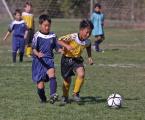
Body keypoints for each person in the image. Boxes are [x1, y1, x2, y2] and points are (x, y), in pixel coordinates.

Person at [58, 19, 94, 105]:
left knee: (81, 74)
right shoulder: (73, 37)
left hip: (77, 59)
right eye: (86, 32)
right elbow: (59, 40)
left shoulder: (87, 41)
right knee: (67, 80)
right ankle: (65, 96)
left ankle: (76, 93)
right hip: (66, 59)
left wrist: (89, 57)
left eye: (90, 33)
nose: (88, 34)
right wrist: (67, 45)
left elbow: (88, 46)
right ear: (81, 30)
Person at [32, 14, 61, 104]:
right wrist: (38, 53)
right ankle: (43, 99)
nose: (47, 27)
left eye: (49, 25)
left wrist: (61, 50)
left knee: (52, 74)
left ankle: (53, 95)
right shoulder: (37, 35)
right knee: (40, 87)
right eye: (45, 25)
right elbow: (33, 49)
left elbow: (57, 47)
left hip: (49, 60)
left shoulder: (53, 35)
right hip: (38, 62)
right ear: (40, 25)